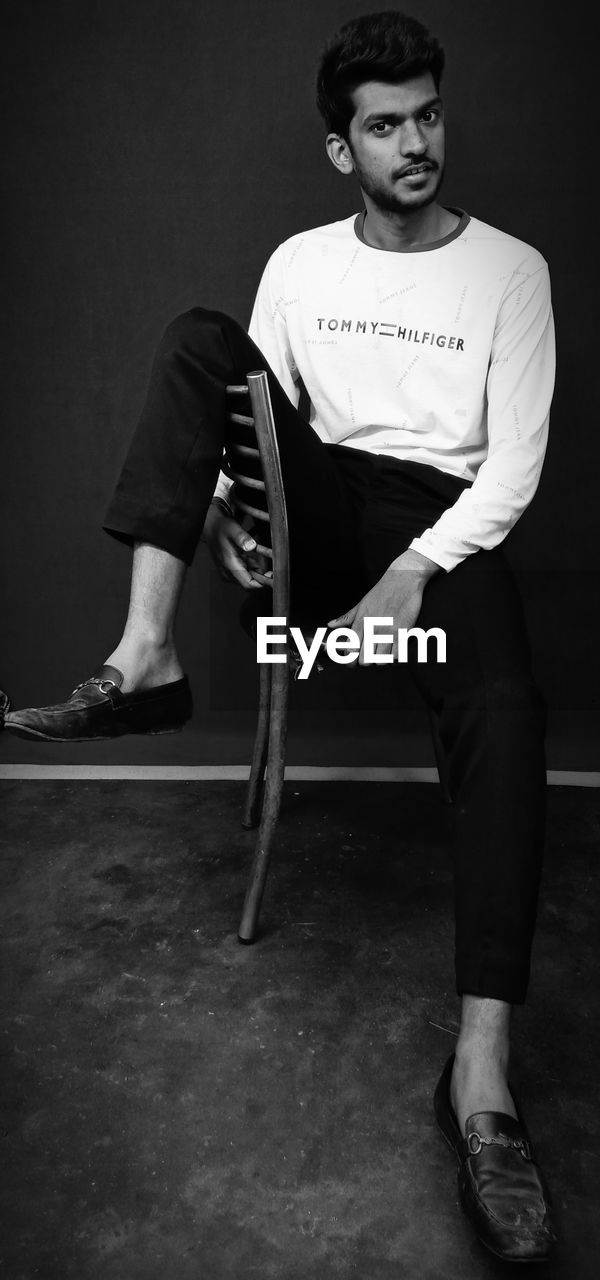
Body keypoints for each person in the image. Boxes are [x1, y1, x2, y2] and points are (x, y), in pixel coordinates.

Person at [4, 10, 556, 1262]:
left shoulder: (511, 271)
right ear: (337, 149)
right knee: (202, 335)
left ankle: (482, 1074)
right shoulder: (303, 262)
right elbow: (261, 413)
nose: (414, 142)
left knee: (507, 707)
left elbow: (514, 465)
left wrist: (415, 573)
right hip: (322, 496)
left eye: (427, 115)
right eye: (383, 125)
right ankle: (144, 654)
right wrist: (222, 519)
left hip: (444, 519)